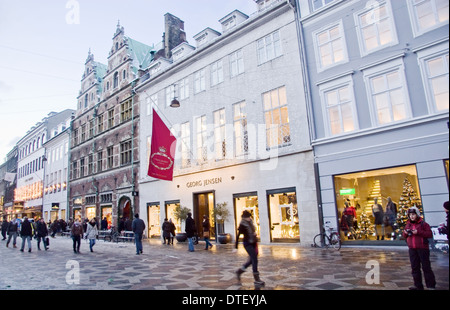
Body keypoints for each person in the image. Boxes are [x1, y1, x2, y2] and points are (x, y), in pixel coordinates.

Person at [402, 206, 436, 290]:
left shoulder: (423, 224)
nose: (412, 216)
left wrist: (418, 232)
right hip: (412, 248)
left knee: (426, 267)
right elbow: (404, 236)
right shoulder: (408, 224)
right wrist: (405, 233)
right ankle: (417, 285)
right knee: (415, 267)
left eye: (413, 214)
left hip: (422, 248)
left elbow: (429, 234)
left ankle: (430, 285)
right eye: (410, 215)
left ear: (417, 214)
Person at [235, 210, 265, 287]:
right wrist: (236, 246)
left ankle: (239, 271)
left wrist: (254, 234)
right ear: (244, 218)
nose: (249, 218)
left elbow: (253, 230)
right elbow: (238, 236)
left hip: (254, 242)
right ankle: (257, 279)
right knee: (254, 259)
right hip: (247, 243)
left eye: (249, 217)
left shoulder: (250, 222)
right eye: (248, 217)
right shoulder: (242, 224)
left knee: (252, 260)